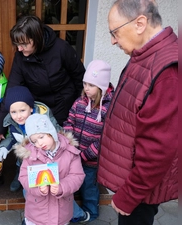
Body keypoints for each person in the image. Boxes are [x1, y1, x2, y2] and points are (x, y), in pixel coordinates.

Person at [97, 1, 178, 224]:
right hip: (134, 183)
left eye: (115, 32)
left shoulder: (167, 71)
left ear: (140, 23)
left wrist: (128, 196)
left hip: (140, 191)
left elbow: (158, 150)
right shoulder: (144, 55)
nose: (113, 40)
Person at [0, 15, 85, 141]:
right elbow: (12, 89)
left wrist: (83, 107)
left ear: (36, 38)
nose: (19, 49)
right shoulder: (20, 57)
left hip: (63, 105)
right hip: (38, 107)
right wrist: (0, 126)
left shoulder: (61, 48)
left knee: (59, 143)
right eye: (17, 44)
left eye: (24, 44)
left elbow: (79, 77)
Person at [63, 60, 114, 223]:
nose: (86, 88)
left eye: (91, 85)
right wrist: (70, 142)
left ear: (102, 87)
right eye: (85, 84)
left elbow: (106, 138)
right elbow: (69, 121)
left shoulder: (108, 108)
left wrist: (85, 155)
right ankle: (75, 209)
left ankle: (92, 212)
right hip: (74, 153)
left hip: (91, 159)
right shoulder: (79, 102)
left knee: (88, 186)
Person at [15, 114, 85, 225]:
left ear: (51, 132)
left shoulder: (70, 152)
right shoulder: (30, 155)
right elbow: (24, 177)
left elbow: (77, 176)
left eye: (42, 137)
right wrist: (37, 189)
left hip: (61, 212)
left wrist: (62, 187)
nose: (40, 143)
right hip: (37, 212)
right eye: (34, 141)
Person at [0, 85, 61, 192]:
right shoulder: (13, 122)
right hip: (24, 159)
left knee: (42, 186)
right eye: (14, 112)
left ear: (31, 108)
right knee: (21, 165)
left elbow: (57, 134)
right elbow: (12, 137)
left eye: (22, 110)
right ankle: (19, 175)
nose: (18, 116)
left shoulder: (43, 119)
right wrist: (4, 147)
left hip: (43, 159)